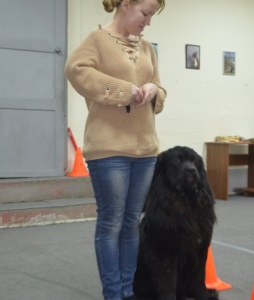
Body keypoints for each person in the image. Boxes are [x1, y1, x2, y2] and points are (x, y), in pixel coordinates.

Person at [65, 0, 166, 299]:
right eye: (145, 13)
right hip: (108, 151)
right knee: (111, 223)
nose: (147, 21)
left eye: (152, 16)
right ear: (125, 5)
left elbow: (160, 89)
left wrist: (152, 90)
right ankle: (113, 294)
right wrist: (124, 90)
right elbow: (75, 70)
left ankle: (127, 291)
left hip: (145, 149)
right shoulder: (97, 40)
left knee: (132, 222)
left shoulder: (148, 48)